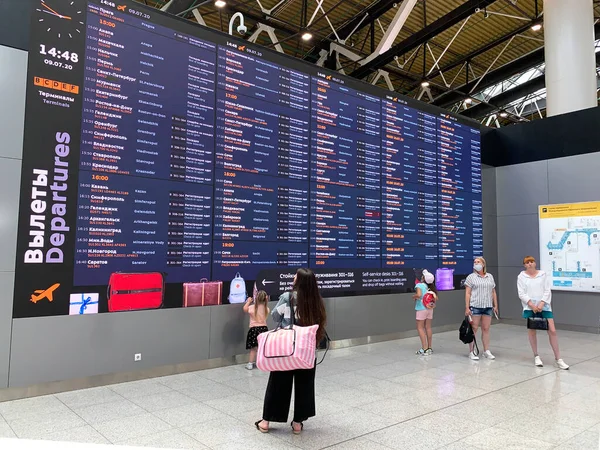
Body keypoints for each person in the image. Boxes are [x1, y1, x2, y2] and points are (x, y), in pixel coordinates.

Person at [255, 268, 327, 435]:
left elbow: (274, 316)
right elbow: (320, 323)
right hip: (306, 351)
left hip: (286, 348)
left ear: (299, 280)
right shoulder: (316, 301)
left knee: (278, 384)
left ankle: (266, 422)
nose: (293, 276)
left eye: (296, 275)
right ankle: (297, 423)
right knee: (305, 385)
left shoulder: (288, 297)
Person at [517, 256, 569, 370]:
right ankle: (536, 356)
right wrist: (532, 305)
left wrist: (541, 303)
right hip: (530, 306)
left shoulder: (543, 274)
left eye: (531, 262)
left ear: (535, 263)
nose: (530, 264)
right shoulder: (521, 276)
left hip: (544, 306)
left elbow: (547, 290)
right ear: (524, 265)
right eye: (527, 262)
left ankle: (558, 359)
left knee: (552, 331)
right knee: (532, 331)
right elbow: (521, 293)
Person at [464, 257, 498, 360]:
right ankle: (472, 351)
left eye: (478, 262)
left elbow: (493, 292)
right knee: (474, 328)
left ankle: (486, 350)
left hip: (487, 306)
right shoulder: (471, 277)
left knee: (486, 328)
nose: (476, 263)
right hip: (475, 306)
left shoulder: (490, 276)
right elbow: (468, 293)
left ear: (483, 264)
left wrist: (495, 305)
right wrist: (467, 307)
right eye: (474, 262)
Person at [243, 290, 270, 370]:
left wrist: (248, 301)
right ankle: (261, 363)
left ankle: (250, 364)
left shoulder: (252, 308)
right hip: (264, 329)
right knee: (261, 348)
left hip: (254, 330)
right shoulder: (267, 309)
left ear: (256, 298)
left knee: (253, 348)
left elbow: (245, 309)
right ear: (266, 299)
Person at [413, 269, 438, 355]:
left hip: (421, 309)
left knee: (420, 328)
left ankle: (424, 348)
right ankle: (429, 347)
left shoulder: (419, 285)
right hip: (429, 309)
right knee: (428, 327)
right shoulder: (431, 288)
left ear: (423, 278)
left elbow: (419, 295)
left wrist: (414, 296)